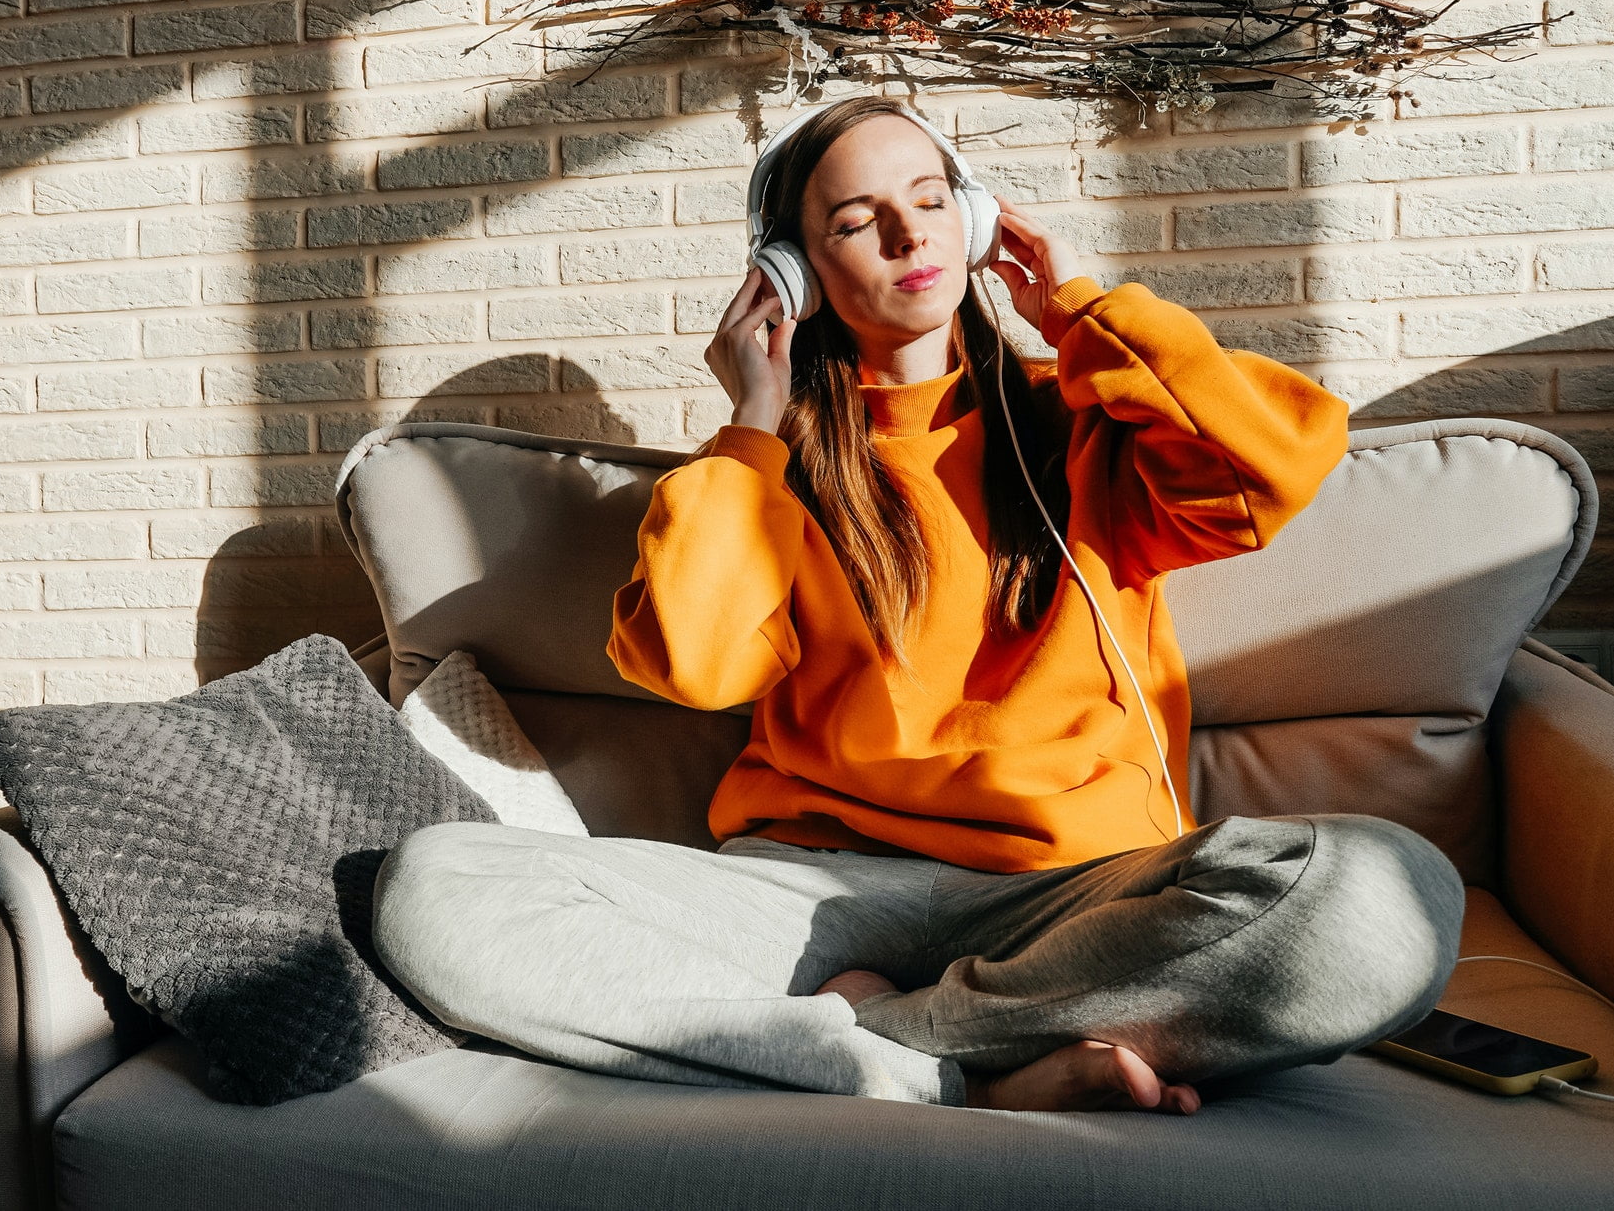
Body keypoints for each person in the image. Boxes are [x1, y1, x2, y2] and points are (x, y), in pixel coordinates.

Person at [371, 94, 1466, 1114]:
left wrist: (1080, 310)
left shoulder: (1080, 420)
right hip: (810, 898)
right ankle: (950, 1074)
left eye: (931, 200)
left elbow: (1270, 463)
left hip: (1076, 899)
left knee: (1383, 898)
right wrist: (753, 420)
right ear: (793, 274)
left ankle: (888, 1037)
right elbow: (694, 663)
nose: (908, 237)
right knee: (434, 889)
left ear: (974, 221)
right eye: (858, 220)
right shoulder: (765, 471)